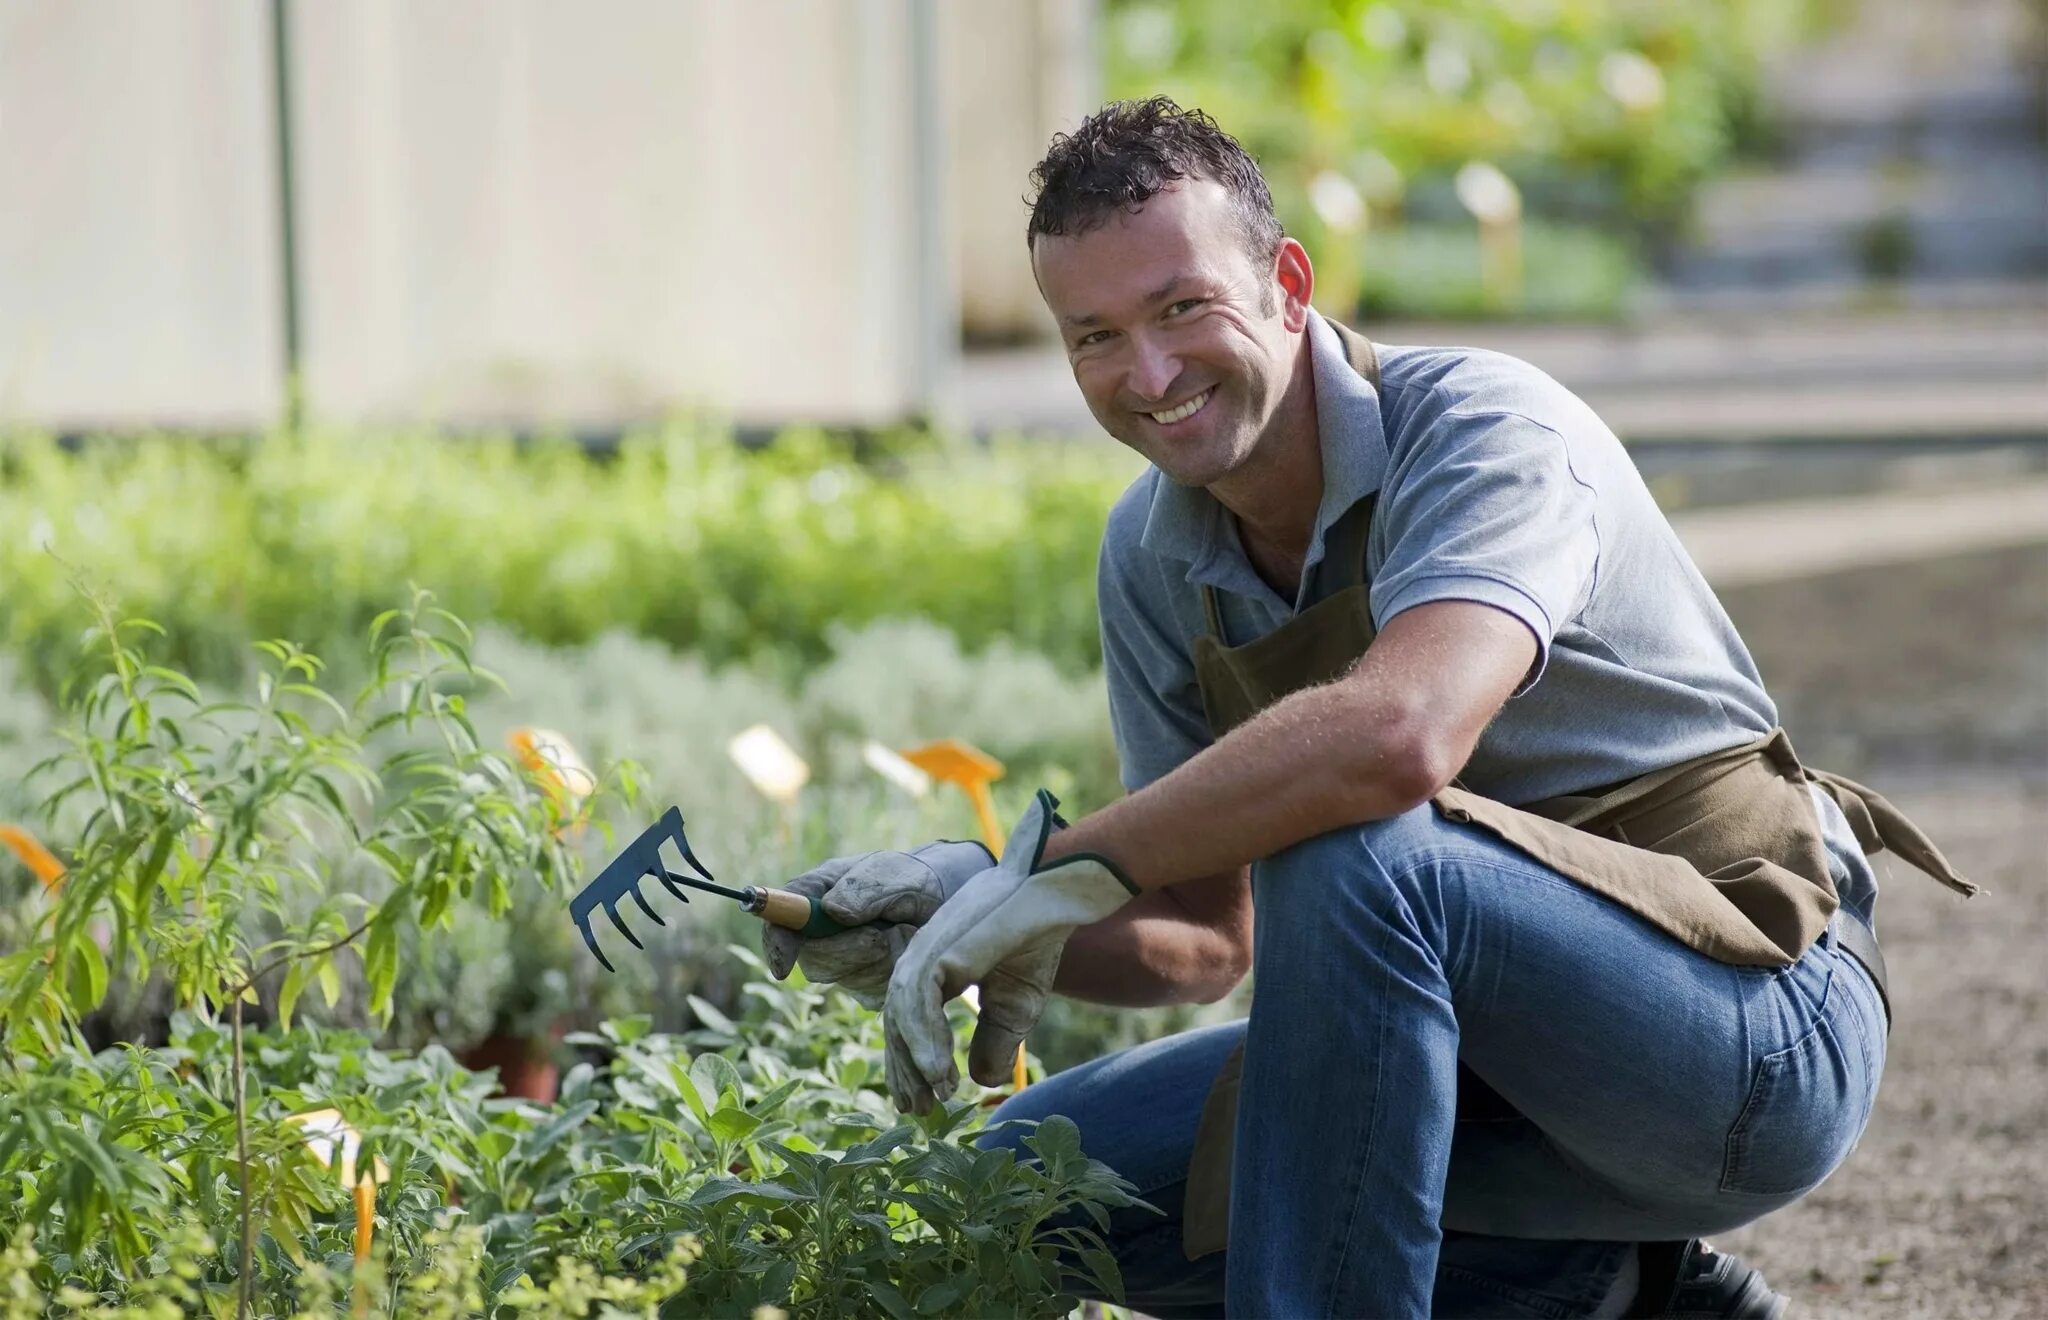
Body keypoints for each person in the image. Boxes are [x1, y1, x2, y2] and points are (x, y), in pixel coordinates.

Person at [762, 97, 1974, 1318]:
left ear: (1288, 283)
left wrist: (1057, 864)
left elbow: (1398, 740)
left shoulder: (1484, 429)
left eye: (1183, 307)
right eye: (1093, 337)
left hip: (1745, 1036)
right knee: (1022, 1191)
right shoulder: (1153, 551)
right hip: (1481, 1085)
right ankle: (1614, 1293)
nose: (1148, 374)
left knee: (1356, 843)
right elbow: (1206, 937)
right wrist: (987, 909)